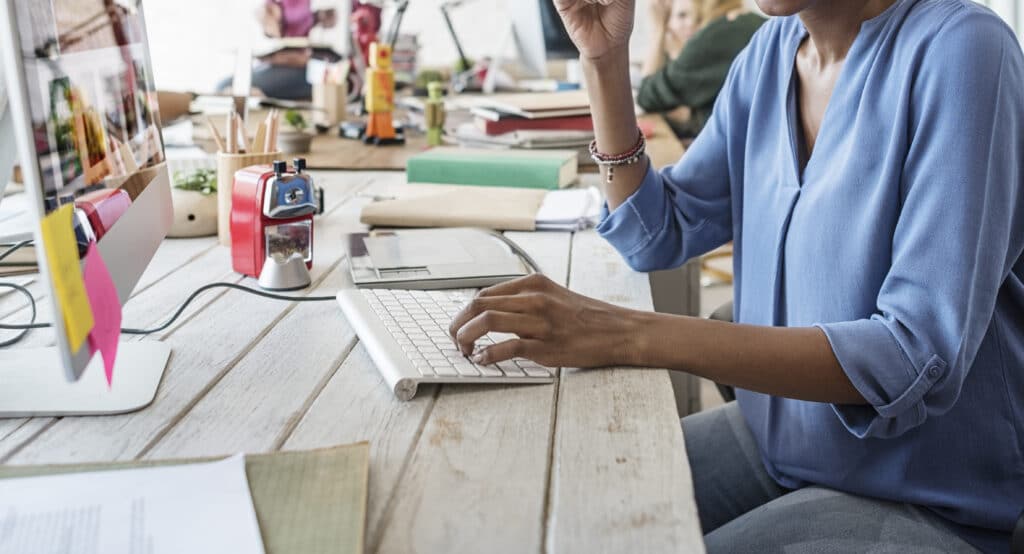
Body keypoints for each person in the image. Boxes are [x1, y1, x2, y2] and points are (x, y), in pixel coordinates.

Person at [448, 0, 1024, 552]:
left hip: (923, 492)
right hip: (780, 444)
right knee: (550, 510)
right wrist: (604, 61)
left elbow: (911, 354)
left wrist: (629, 334)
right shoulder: (767, 54)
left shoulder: (963, 49)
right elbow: (658, 232)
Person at [639, 0, 764, 138]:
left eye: (697, 16)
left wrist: (658, 31)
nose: (690, 24)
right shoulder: (744, 21)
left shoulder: (715, 35)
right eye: (681, 15)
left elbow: (647, 96)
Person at [217, 0, 340, 100]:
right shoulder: (267, 9)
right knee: (224, 86)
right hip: (273, 62)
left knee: (226, 86)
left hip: (303, 69)